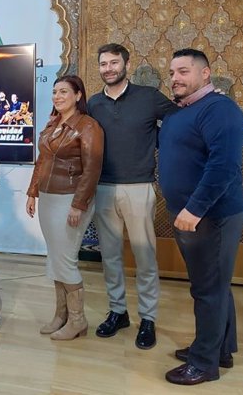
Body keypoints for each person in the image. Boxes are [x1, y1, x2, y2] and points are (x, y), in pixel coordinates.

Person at [158, 49, 243, 385]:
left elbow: (223, 167)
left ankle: (204, 363)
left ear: (205, 74)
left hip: (211, 216)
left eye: (183, 71)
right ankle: (219, 349)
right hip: (189, 216)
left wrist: (194, 209)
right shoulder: (184, 111)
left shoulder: (219, 109)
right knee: (215, 286)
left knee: (208, 290)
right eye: (171, 72)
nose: (175, 78)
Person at [87, 43, 178, 350]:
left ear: (126, 64)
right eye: (103, 64)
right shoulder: (93, 103)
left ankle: (148, 318)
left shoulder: (149, 97)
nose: (108, 68)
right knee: (110, 256)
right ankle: (118, 312)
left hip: (139, 187)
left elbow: (181, 120)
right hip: (103, 188)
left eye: (114, 63)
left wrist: (206, 102)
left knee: (144, 257)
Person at [26, 75, 103, 340]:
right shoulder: (53, 124)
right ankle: (62, 315)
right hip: (48, 198)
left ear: (78, 95)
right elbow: (42, 162)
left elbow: (92, 169)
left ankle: (78, 320)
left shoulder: (88, 126)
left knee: (66, 259)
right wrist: (32, 192)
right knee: (56, 258)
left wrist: (78, 204)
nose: (58, 97)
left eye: (64, 92)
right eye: (55, 92)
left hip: (70, 200)